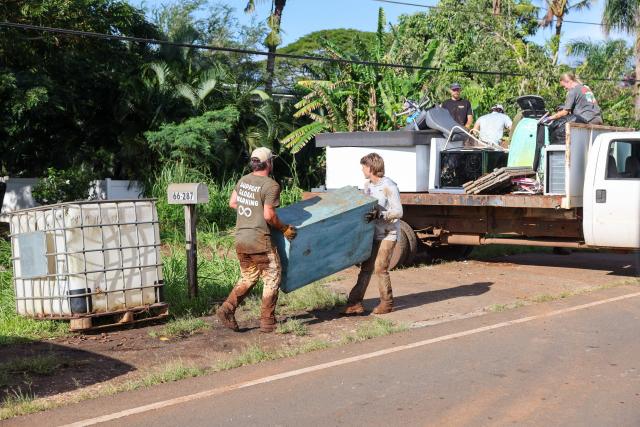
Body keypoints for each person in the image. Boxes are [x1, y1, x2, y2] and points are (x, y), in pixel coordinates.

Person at [216, 147, 297, 333]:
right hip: (259, 240)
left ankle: (226, 309)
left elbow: (233, 203)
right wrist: (284, 228)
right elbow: (269, 215)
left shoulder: (243, 180)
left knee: (249, 277)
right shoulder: (271, 185)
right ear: (269, 163)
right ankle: (267, 322)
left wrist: (251, 214)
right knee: (272, 277)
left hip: (241, 240)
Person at [342, 153, 403, 316]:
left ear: (370, 168)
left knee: (380, 268)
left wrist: (380, 215)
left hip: (388, 233)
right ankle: (355, 303)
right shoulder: (367, 185)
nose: (362, 169)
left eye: (363, 166)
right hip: (372, 233)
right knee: (366, 268)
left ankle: (387, 303)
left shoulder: (389, 186)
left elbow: (398, 211)